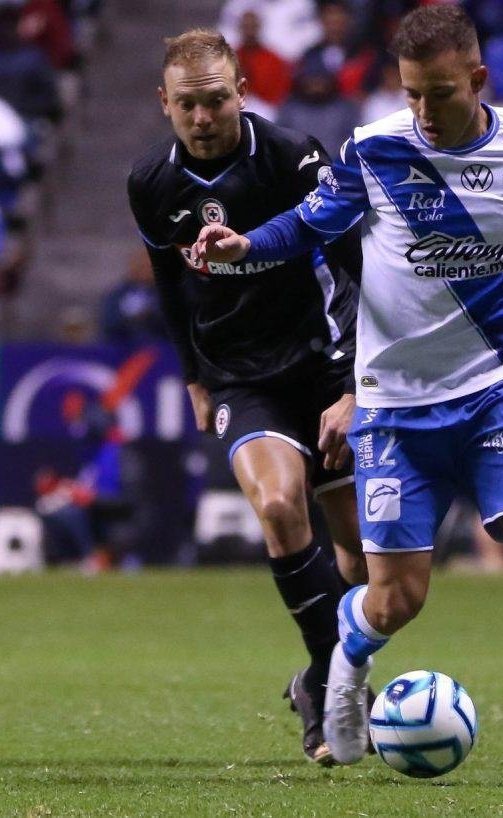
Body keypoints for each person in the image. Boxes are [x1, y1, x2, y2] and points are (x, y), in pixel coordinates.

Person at [192, 5, 503, 787]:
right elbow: (306, 226)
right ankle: (343, 667)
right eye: (410, 95)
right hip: (396, 407)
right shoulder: (375, 149)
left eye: (438, 94)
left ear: (478, 79)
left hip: (499, 388)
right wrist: (242, 247)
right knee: (396, 600)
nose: (423, 113)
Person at [126, 29, 366, 766]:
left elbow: (356, 262)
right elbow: (170, 283)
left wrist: (359, 383)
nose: (203, 118)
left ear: (241, 93)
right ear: (164, 103)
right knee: (275, 504)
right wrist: (195, 377)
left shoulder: (293, 156)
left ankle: (318, 683)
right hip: (242, 377)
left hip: (326, 365)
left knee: (365, 566)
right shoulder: (150, 184)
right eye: (188, 105)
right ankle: (334, 700)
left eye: (217, 100)